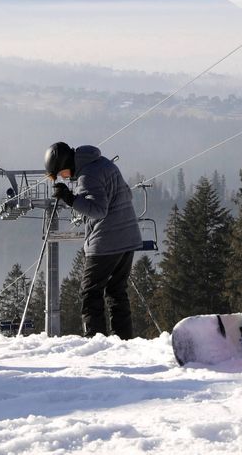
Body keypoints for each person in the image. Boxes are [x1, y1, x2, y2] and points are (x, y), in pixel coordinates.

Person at [46, 142, 144, 338]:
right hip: (128, 238)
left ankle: (95, 340)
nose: (64, 178)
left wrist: (70, 199)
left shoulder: (87, 175)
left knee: (90, 292)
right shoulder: (104, 164)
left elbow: (99, 210)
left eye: (61, 173)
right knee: (117, 291)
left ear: (66, 163)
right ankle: (123, 341)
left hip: (106, 242)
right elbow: (127, 194)